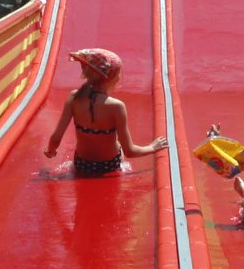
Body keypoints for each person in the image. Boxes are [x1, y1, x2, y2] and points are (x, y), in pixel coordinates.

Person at [44, 48, 167, 176]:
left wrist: (51, 150)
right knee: (117, 145)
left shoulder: (74, 97)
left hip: (82, 164)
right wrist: (152, 147)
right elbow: (129, 151)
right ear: (112, 78)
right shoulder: (116, 106)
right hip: (109, 165)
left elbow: (56, 137)